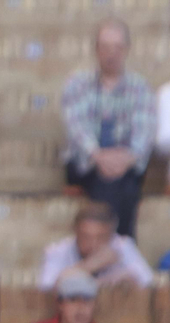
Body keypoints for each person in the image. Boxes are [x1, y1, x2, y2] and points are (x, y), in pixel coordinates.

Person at [61, 18, 153, 239]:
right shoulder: (77, 84)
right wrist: (99, 156)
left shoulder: (140, 88)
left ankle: (105, 247)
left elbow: (143, 136)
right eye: (105, 47)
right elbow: (77, 130)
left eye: (118, 47)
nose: (111, 53)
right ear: (96, 49)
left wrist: (123, 159)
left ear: (127, 49)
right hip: (85, 163)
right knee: (111, 182)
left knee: (124, 185)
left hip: (127, 165)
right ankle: (122, 248)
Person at [38, 201, 152, 292]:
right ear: (76, 232)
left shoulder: (122, 246)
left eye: (101, 237)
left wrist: (130, 277)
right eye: (86, 237)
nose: (93, 244)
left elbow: (148, 282)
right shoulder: (58, 251)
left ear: (111, 235)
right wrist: (91, 265)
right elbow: (47, 289)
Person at [21, 273, 109, 323]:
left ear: (94, 304)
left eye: (86, 300)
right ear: (60, 304)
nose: (80, 307)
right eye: (73, 299)